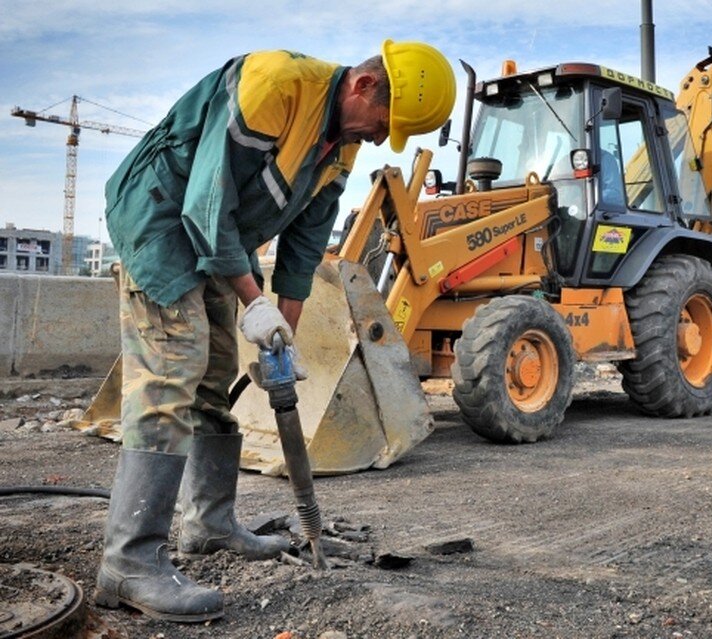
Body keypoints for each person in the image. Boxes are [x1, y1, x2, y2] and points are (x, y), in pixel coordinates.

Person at [93, 40, 456, 622]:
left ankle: (208, 526)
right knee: (173, 369)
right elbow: (206, 204)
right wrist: (252, 301)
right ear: (364, 87)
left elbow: (306, 243)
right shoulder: (275, 85)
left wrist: (279, 333)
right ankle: (129, 563)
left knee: (214, 376)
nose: (377, 138)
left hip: (216, 239)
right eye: (382, 125)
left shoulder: (340, 148)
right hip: (162, 220)